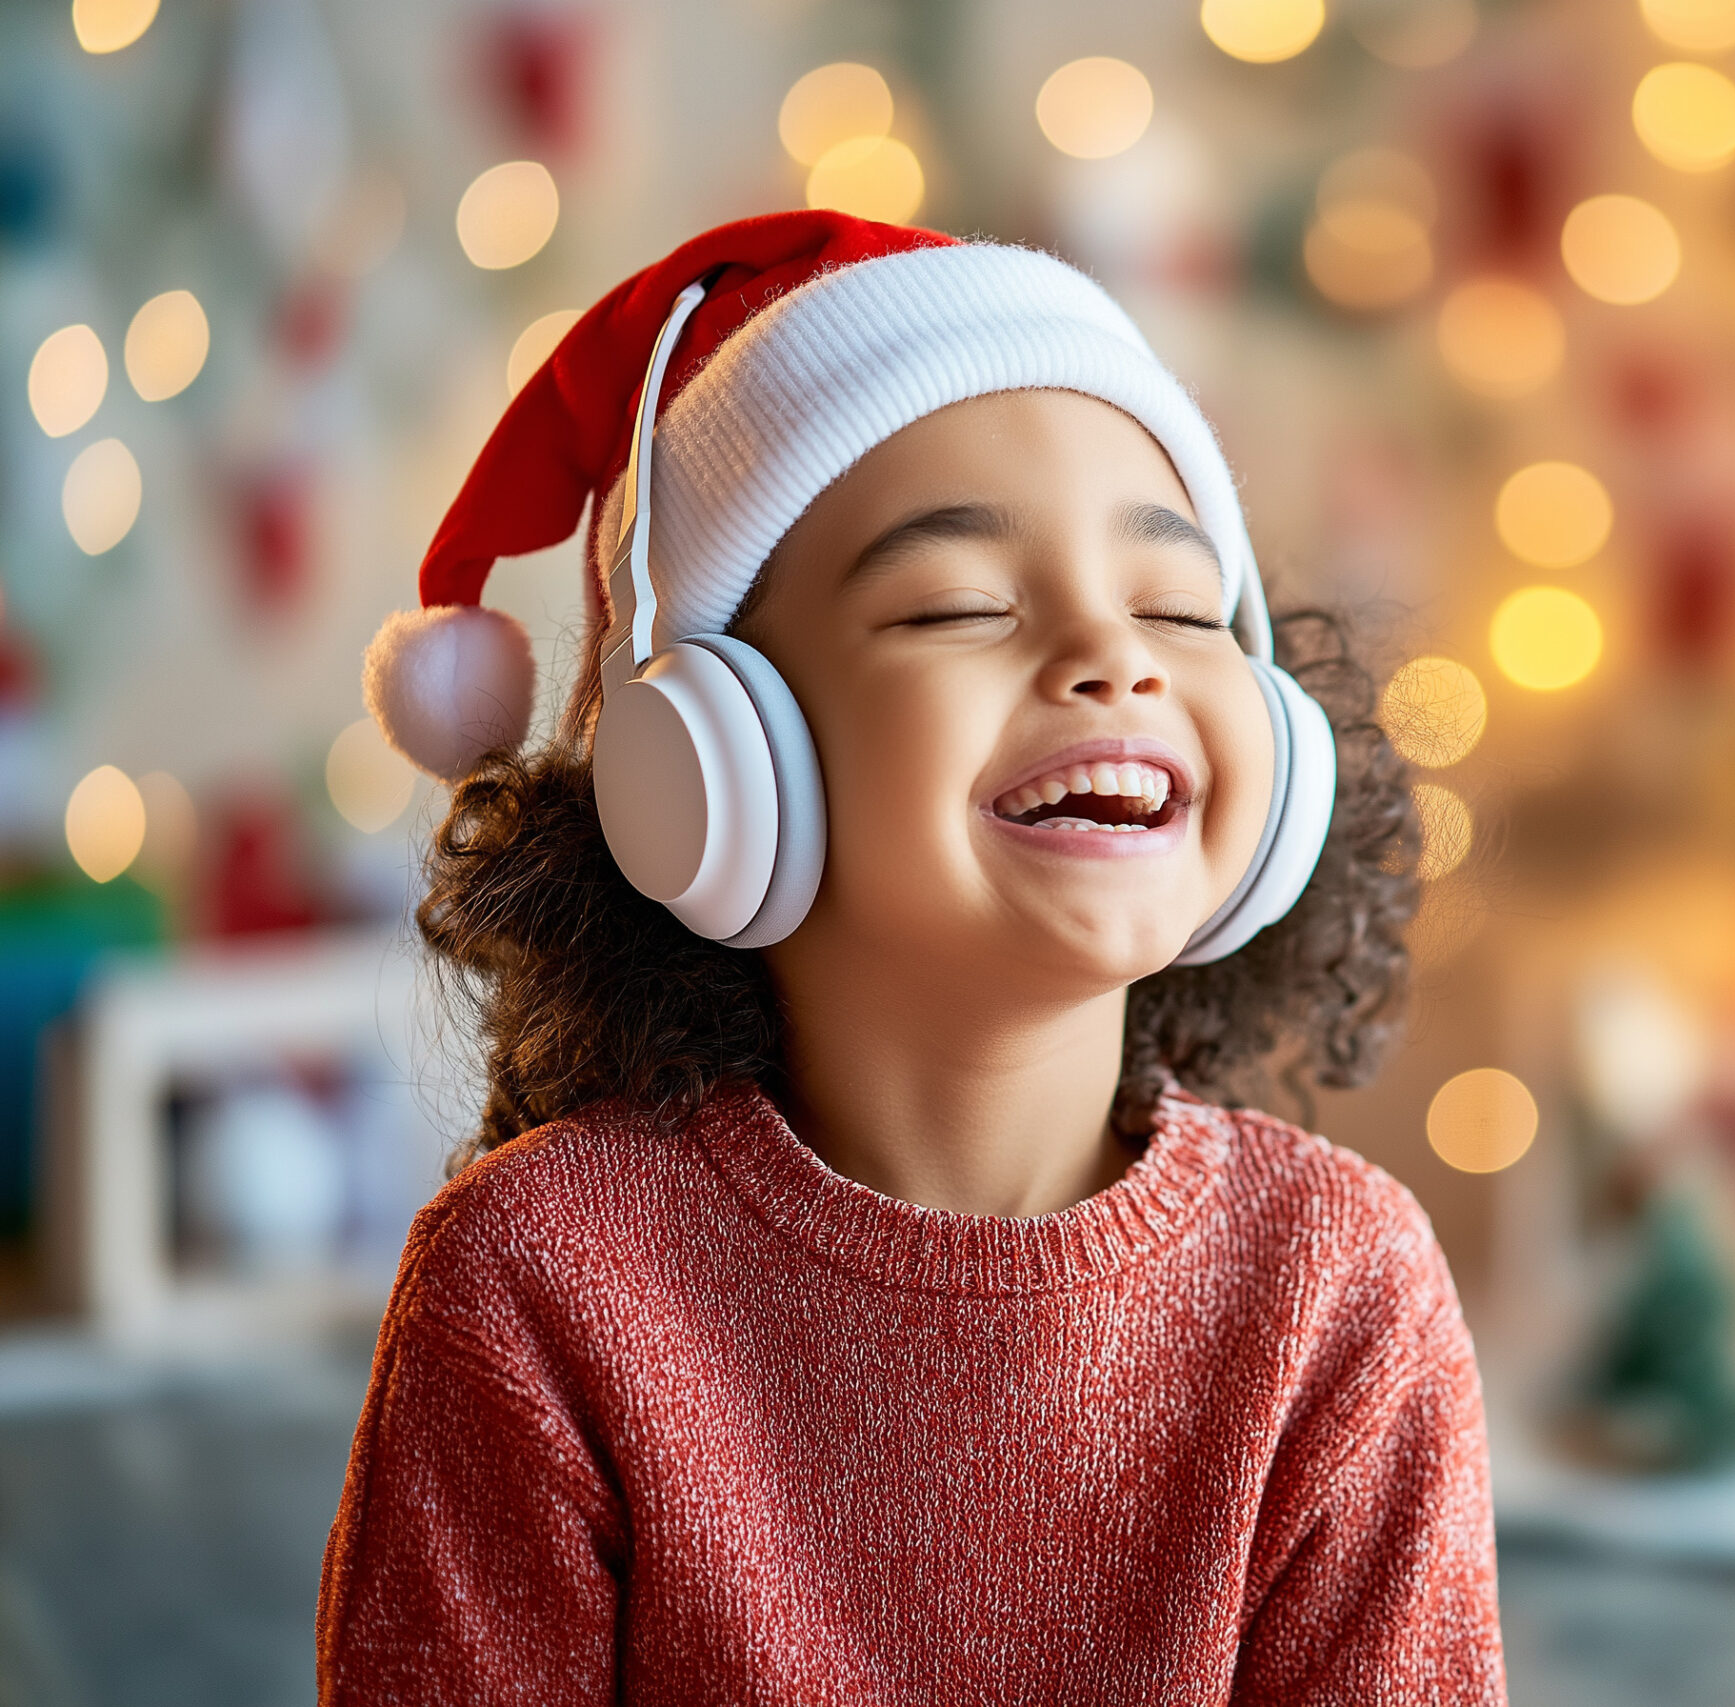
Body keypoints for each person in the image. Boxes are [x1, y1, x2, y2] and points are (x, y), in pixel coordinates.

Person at [316, 211, 1505, 1703]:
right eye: (958, 606)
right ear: (710, 765)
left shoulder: (1340, 1289)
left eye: (1182, 609)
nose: (1115, 657)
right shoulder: (537, 1285)